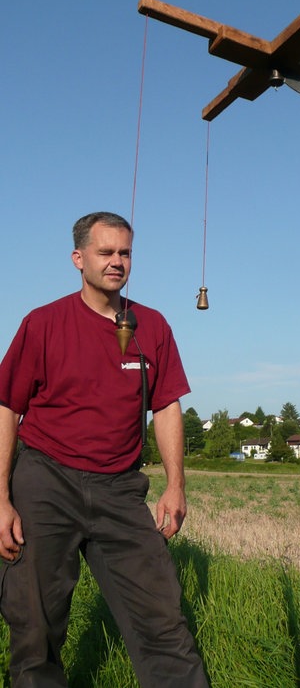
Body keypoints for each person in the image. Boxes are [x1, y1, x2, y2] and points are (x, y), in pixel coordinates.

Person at [0, 211, 209, 688]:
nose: (117, 262)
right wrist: (2, 498)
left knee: (162, 619)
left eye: (125, 253)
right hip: (45, 482)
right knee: (35, 626)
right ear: (79, 259)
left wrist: (176, 486)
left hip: (119, 489)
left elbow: (168, 407)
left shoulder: (151, 326)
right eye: (105, 252)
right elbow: (7, 408)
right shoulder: (43, 323)